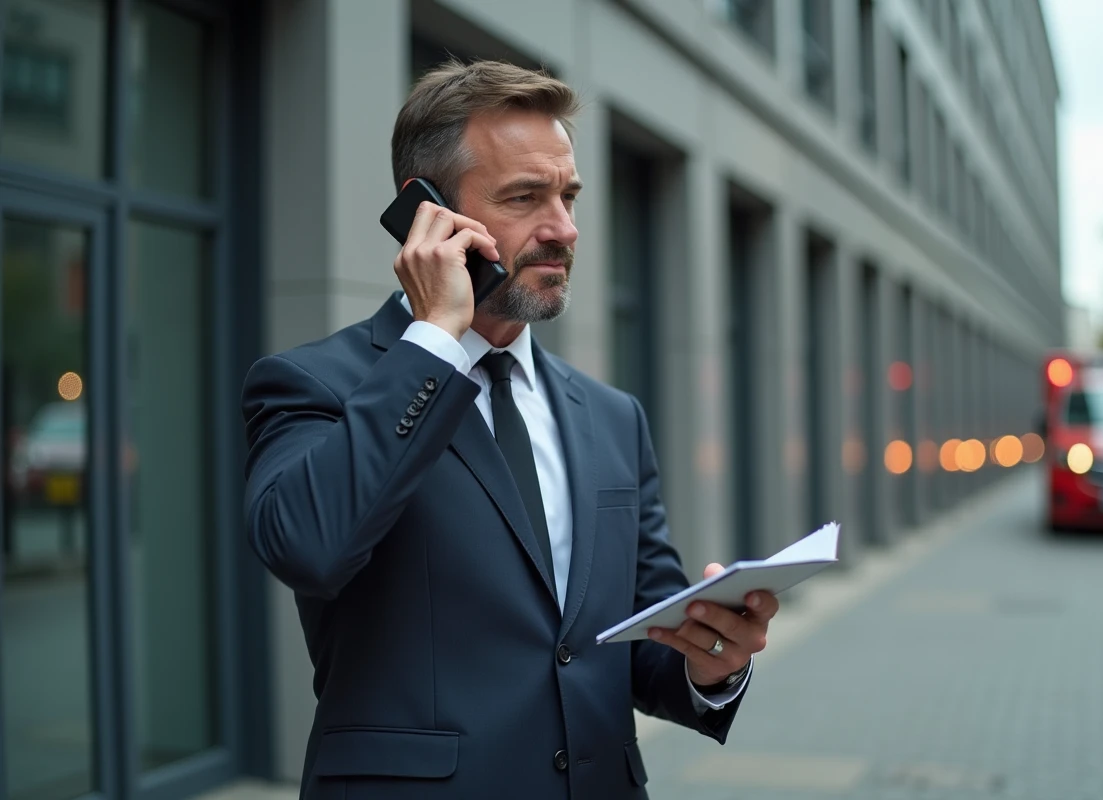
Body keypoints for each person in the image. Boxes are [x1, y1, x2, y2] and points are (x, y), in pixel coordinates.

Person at [241, 59, 779, 800]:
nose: (564, 229)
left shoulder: (612, 416)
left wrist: (710, 662)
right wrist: (435, 338)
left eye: (568, 196)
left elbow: (634, 642)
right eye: (526, 197)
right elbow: (307, 546)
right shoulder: (313, 383)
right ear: (428, 213)